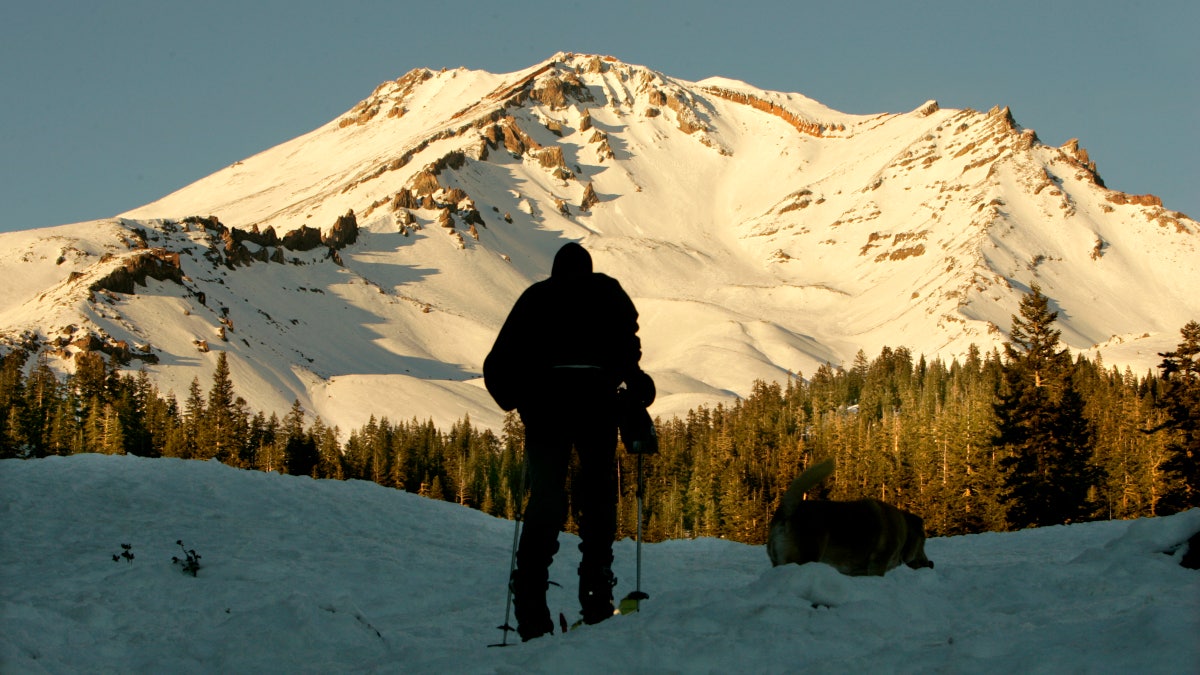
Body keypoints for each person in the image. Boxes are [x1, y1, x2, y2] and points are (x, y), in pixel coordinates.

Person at [484, 242, 655, 641]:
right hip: (596, 404)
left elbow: (499, 360)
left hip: (545, 408)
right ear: (589, 269)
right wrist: (633, 385)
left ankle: (530, 597)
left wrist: (516, 399)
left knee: (546, 495)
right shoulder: (607, 293)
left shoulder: (535, 298)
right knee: (597, 496)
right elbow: (628, 350)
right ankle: (596, 591)